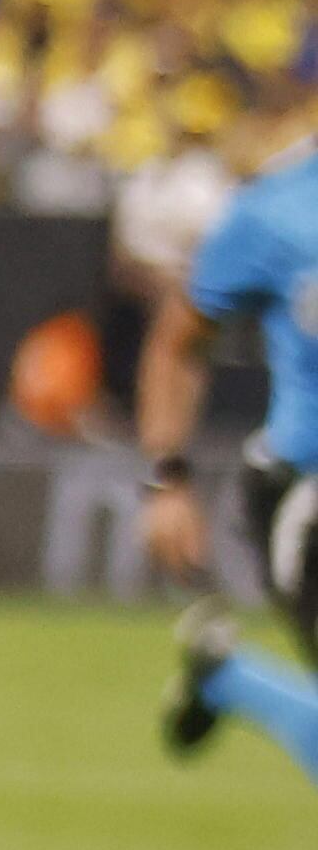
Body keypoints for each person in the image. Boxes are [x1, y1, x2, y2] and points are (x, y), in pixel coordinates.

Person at [141, 132, 318, 786]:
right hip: (305, 497)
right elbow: (178, 342)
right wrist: (167, 479)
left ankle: (227, 677)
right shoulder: (275, 211)